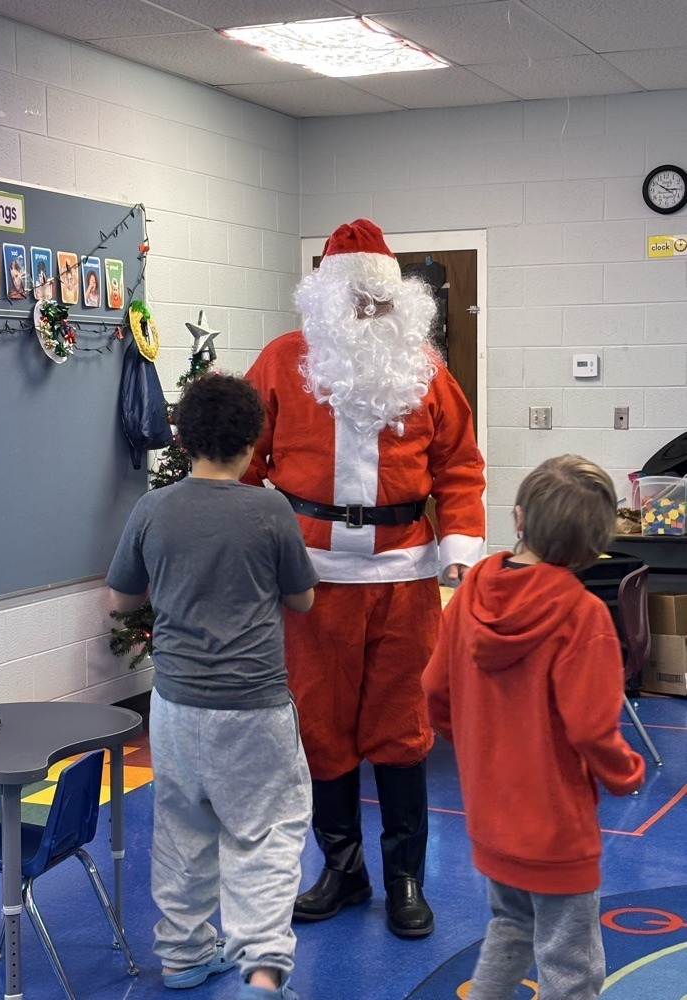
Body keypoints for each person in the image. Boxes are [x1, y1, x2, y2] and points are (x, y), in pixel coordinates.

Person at [243, 218, 485, 938]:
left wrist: (461, 553)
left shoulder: (426, 371)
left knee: (403, 729)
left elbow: (460, 467)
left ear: (397, 303)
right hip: (309, 585)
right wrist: (255, 545)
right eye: (352, 302)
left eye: (376, 303)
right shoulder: (283, 361)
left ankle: (406, 878)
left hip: (404, 581)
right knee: (322, 727)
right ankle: (343, 872)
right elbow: (243, 461)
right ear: (323, 300)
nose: (365, 316)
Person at [107, 374, 318, 1000]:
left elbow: (123, 597)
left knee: (180, 827)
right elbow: (302, 600)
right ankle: (261, 969)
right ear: (253, 440)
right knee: (268, 832)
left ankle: (184, 957)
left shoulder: (153, 508)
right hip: (254, 707)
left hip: (174, 704)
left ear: (183, 436)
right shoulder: (269, 509)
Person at [422, 454, 645, 999]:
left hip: (490, 813)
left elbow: (432, 691)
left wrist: (476, 745)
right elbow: (593, 729)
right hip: (556, 827)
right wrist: (626, 773)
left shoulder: (471, 593)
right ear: (596, 545)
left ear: (518, 518)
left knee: (510, 927)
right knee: (571, 963)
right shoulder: (583, 615)